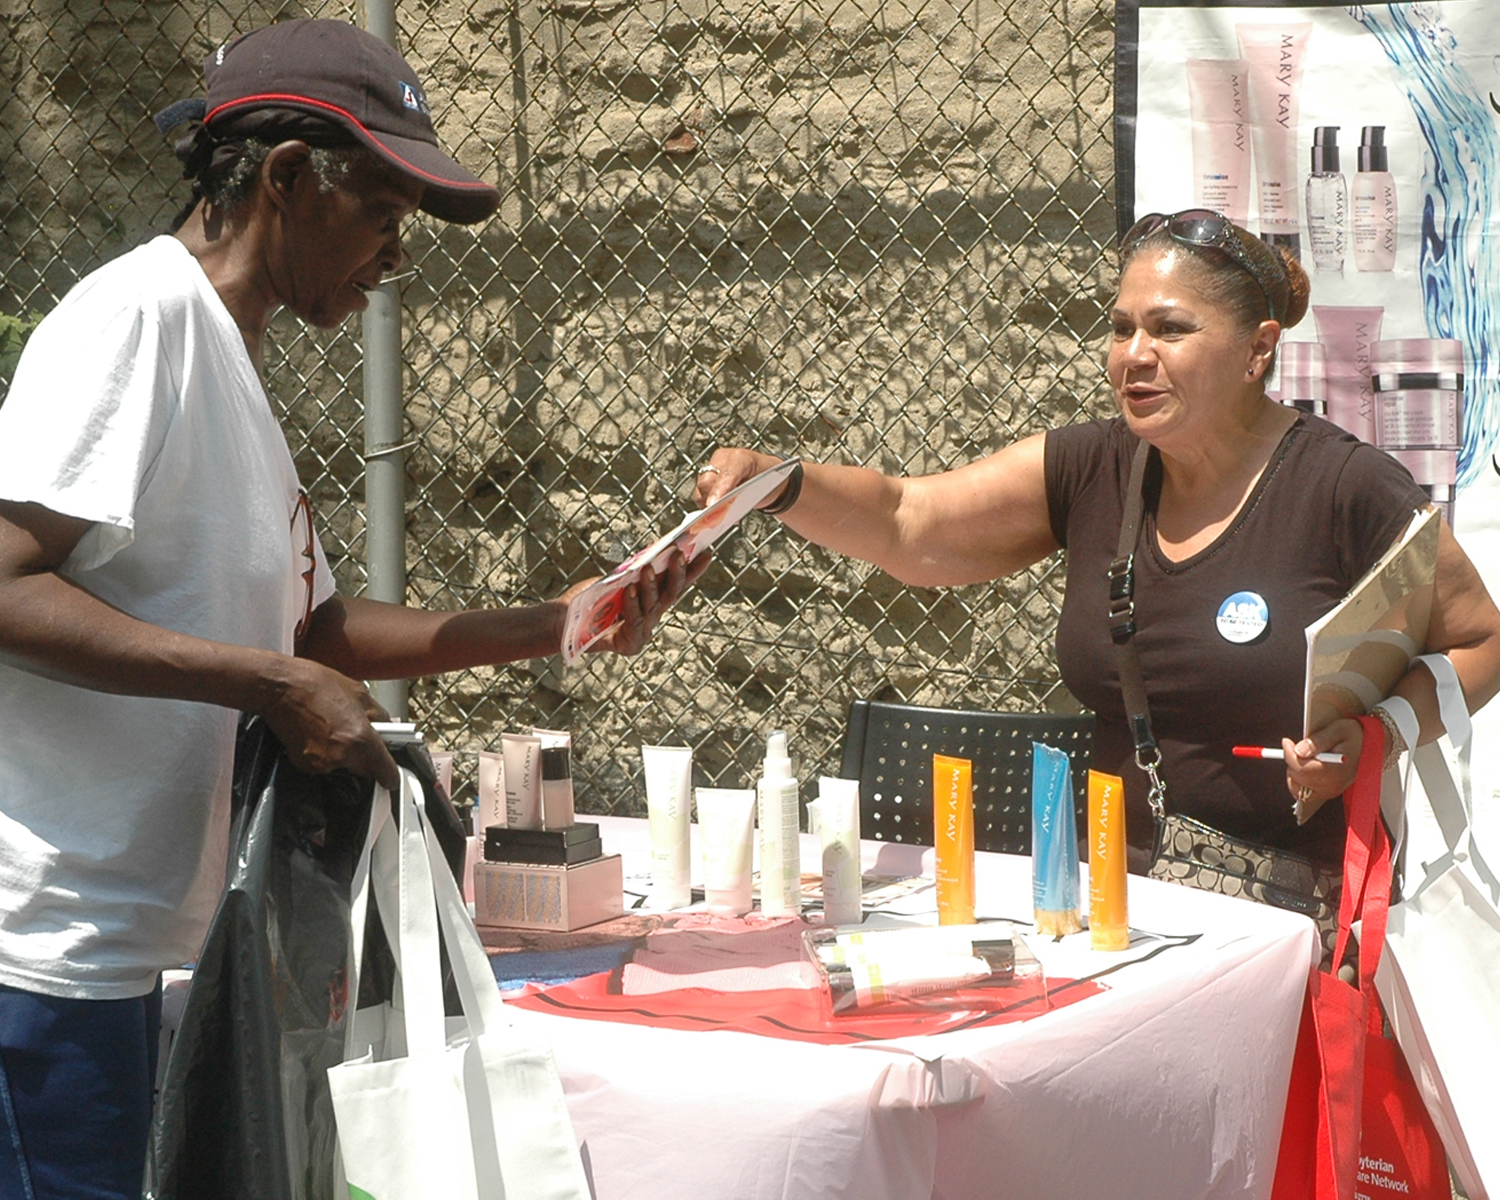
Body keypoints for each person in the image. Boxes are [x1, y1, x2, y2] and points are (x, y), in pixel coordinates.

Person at [0, 19, 701, 1196]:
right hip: (52, 965)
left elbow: (319, 636)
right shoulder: (140, 322)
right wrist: (266, 687)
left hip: (150, 961)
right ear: (284, 180)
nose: (391, 256)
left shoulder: (231, 362)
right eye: (380, 214)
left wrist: (564, 617)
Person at [698, 209, 1500, 873]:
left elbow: (1481, 640)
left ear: (1258, 349)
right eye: (1120, 329)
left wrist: (1375, 738)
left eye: (1169, 329)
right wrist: (778, 483)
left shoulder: (1344, 487)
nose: (1133, 356)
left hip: (1288, 915)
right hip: (1113, 895)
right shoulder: (1092, 466)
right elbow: (911, 521)